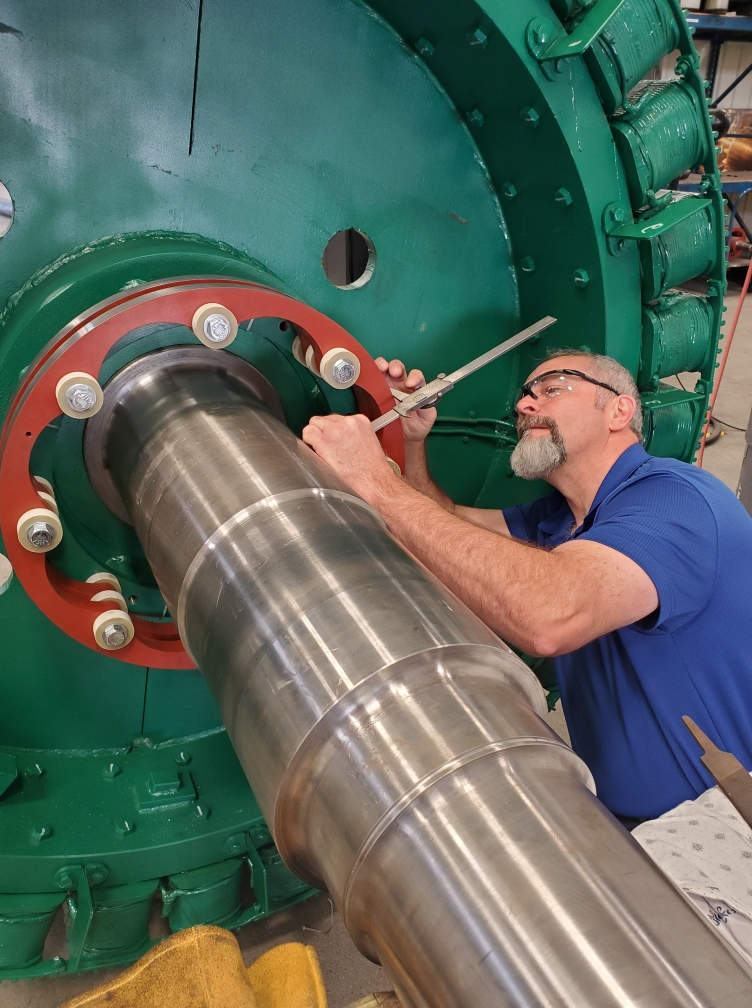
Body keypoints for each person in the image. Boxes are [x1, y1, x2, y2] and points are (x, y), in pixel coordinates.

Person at [302, 349, 752, 827]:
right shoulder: (559, 521)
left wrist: (373, 484)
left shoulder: (675, 500)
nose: (525, 405)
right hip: (630, 828)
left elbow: (550, 614)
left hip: (726, 828)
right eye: (526, 395)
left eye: (554, 388)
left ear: (619, 411)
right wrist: (411, 441)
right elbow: (444, 532)